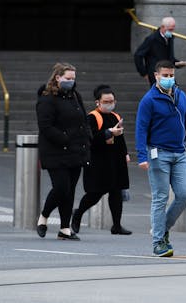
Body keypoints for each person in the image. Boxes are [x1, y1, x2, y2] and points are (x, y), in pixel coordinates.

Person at [136, 60, 186, 257]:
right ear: (156, 76)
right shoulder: (149, 100)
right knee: (160, 197)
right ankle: (158, 242)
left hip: (180, 153)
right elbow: (141, 129)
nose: (168, 79)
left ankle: (162, 229)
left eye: (171, 75)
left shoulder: (181, 96)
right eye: (164, 75)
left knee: (184, 194)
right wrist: (142, 156)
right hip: (158, 153)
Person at [36, 62, 91, 241]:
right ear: (57, 77)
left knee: (70, 191)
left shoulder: (75, 95)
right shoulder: (47, 98)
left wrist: (87, 137)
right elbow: (45, 126)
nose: (71, 82)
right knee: (61, 187)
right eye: (68, 78)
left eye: (73, 79)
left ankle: (65, 228)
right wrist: (65, 139)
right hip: (55, 151)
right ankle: (44, 216)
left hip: (75, 150)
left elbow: (83, 118)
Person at [71, 85, 132, 236]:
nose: (109, 104)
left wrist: (125, 153)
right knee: (95, 193)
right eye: (106, 101)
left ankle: (116, 225)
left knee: (116, 192)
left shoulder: (115, 116)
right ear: (97, 102)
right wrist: (108, 132)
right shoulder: (92, 117)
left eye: (111, 101)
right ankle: (78, 213)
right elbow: (89, 138)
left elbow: (121, 138)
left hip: (115, 159)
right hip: (98, 161)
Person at [133, 17, 186, 86]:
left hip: (167, 72)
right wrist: (144, 73)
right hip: (156, 73)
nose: (171, 32)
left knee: (174, 92)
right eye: (170, 29)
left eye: (172, 29)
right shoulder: (152, 39)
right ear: (163, 27)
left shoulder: (170, 38)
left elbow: (168, 57)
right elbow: (138, 55)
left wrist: (178, 64)